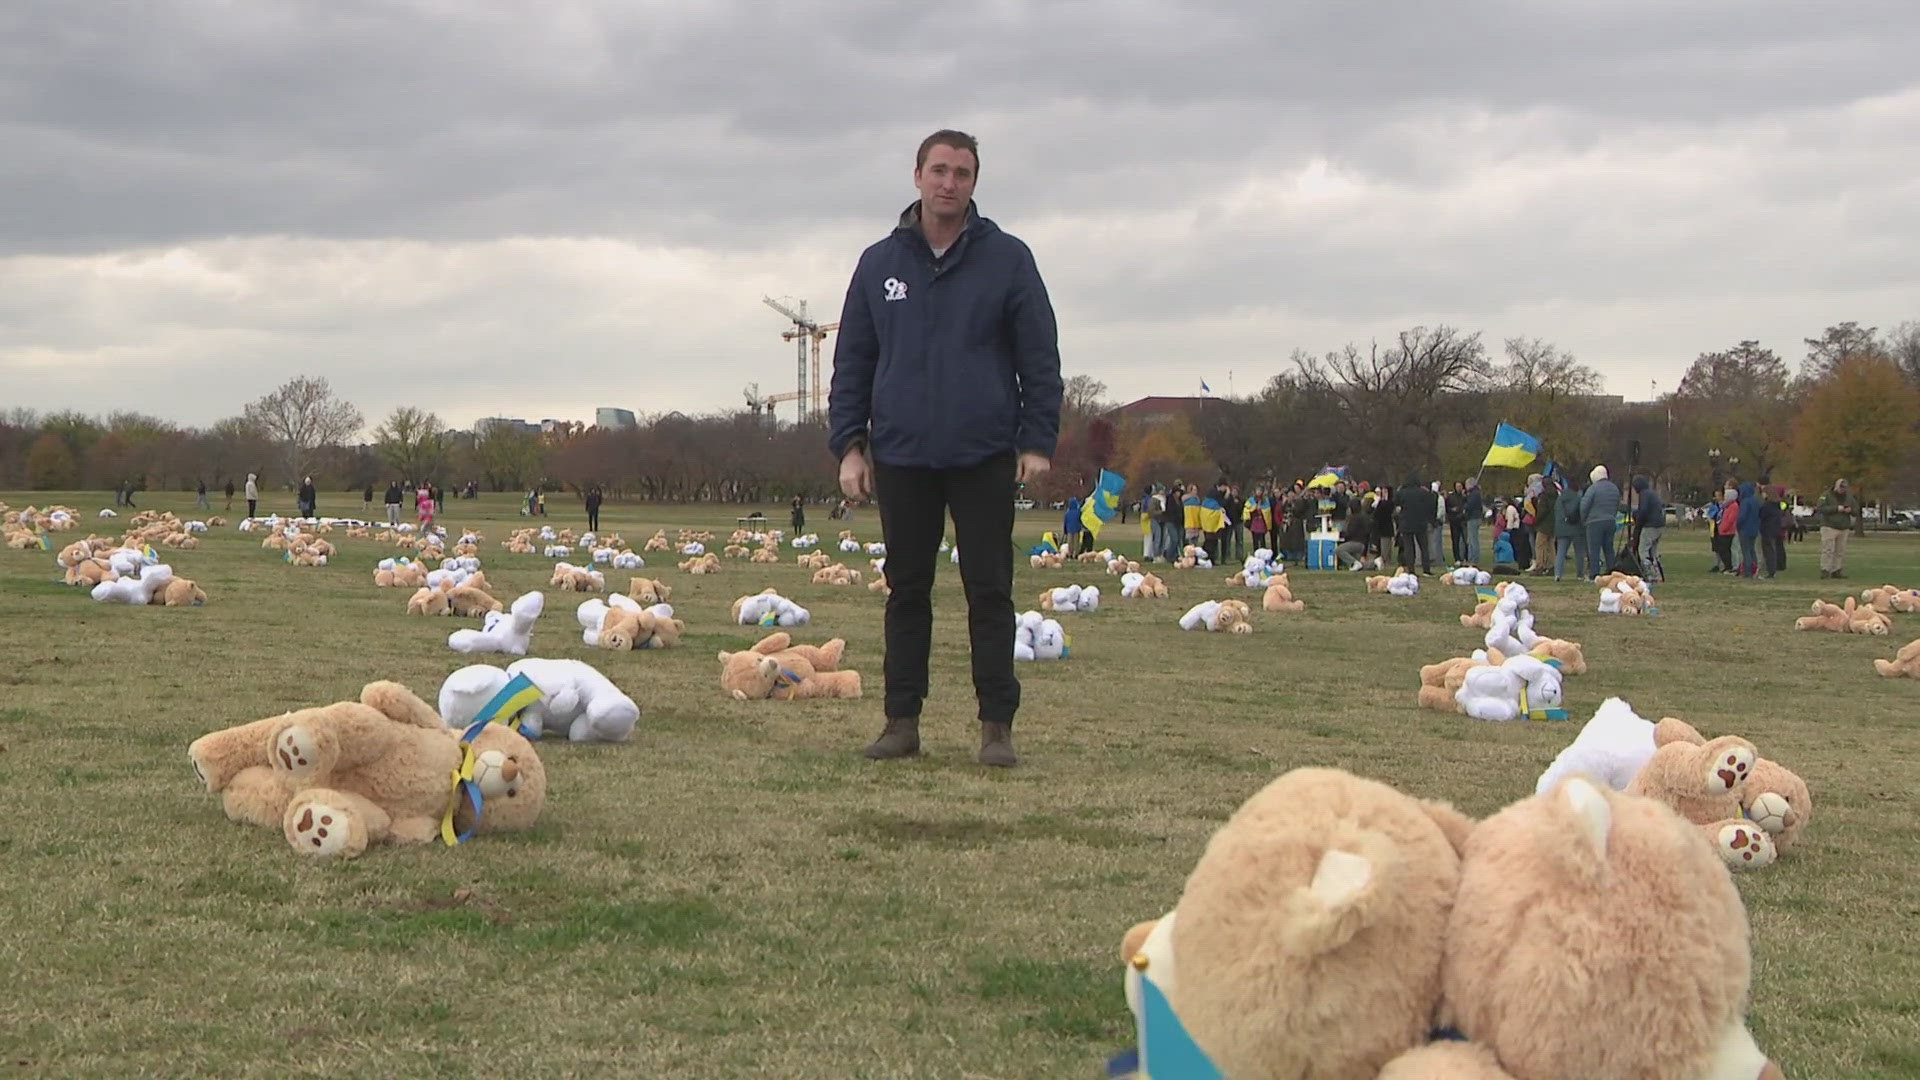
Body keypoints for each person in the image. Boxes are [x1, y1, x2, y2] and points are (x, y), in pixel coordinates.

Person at [826, 128, 1063, 768]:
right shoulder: (879, 264)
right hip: (901, 455)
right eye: (939, 170)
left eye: (961, 172)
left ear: (974, 182)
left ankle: (996, 727)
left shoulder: (1008, 258)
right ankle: (901, 722)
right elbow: (852, 362)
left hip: (984, 452)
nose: (949, 182)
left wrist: (1037, 440)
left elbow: (1039, 357)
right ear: (917, 176)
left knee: (990, 591)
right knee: (907, 591)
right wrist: (850, 446)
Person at [1579, 465, 1620, 579]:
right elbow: (1617, 504)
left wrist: (1584, 519)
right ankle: (1612, 572)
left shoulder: (1593, 488)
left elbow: (1584, 505)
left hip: (1594, 522)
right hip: (1610, 521)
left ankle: (1595, 574)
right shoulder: (1614, 488)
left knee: (1594, 550)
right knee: (1609, 548)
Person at [1814, 477, 1858, 579]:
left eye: (1844, 488)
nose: (1842, 490)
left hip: (1844, 527)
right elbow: (1820, 508)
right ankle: (1825, 570)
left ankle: (1837, 570)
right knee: (1828, 549)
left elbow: (1856, 510)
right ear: (1836, 486)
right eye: (1841, 487)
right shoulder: (1826, 495)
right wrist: (1836, 508)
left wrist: (1850, 510)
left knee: (1840, 550)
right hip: (1829, 526)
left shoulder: (1849, 497)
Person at [1396, 473, 1438, 574]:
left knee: (1409, 547)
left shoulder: (1402, 492)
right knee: (1424, 547)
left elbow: (1396, 504)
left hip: (1406, 522)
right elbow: (1431, 504)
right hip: (1420, 522)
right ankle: (1426, 569)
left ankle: (1411, 570)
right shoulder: (1423, 493)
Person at [1631, 476, 1665, 582]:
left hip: (1650, 525)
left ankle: (1649, 574)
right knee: (1653, 551)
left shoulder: (1644, 494)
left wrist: (1635, 514)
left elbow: (1643, 511)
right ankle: (1657, 574)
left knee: (1643, 549)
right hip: (1659, 525)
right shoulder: (1652, 493)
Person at [1533, 476, 1559, 576]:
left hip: (1543, 525)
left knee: (1540, 546)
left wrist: (1536, 520)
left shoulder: (1544, 496)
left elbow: (1542, 511)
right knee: (1551, 546)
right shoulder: (1556, 495)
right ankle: (1553, 566)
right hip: (1553, 524)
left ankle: (1540, 566)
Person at [1711, 488, 1738, 574]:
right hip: (1723, 530)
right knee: (1721, 549)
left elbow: (1730, 520)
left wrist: (1723, 527)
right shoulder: (1726, 506)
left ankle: (1729, 567)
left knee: (1725, 549)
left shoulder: (1733, 506)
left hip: (1727, 531)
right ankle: (1726, 566)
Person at [1462, 478, 1485, 565]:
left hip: (1473, 518)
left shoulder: (1474, 494)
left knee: (1473, 540)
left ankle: (1474, 559)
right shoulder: (1474, 493)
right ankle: (1471, 558)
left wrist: (1465, 507)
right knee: (1470, 540)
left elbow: (1470, 505)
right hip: (1473, 518)